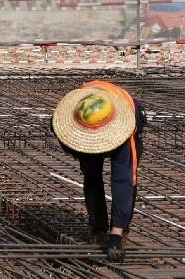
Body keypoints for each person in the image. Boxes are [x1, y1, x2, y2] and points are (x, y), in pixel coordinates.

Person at [53, 78, 142, 260]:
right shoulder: (68, 118)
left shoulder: (126, 131)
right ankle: (98, 230)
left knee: (126, 178)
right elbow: (66, 143)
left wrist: (115, 235)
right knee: (91, 176)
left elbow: (123, 181)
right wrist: (83, 152)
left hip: (128, 116)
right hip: (87, 122)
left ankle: (121, 230)